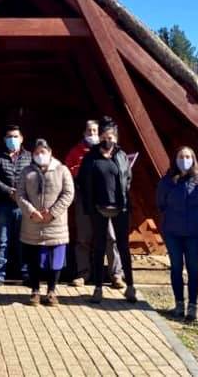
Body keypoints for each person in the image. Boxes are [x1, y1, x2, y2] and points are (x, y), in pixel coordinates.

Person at [77, 116, 137, 303]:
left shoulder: (121, 155)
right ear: (100, 136)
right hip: (99, 208)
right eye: (105, 136)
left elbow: (127, 178)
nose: (108, 140)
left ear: (116, 138)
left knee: (122, 247)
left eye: (112, 137)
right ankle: (97, 288)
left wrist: (124, 200)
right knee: (99, 246)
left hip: (120, 208)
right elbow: (83, 182)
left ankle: (131, 286)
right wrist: (90, 206)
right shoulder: (90, 157)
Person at [64, 119, 124, 288]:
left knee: (110, 238)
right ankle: (83, 274)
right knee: (83, 238)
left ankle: (116, 275)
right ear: (84, 133)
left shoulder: (109, 151)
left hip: (106, 201)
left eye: (95, 131)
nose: (92, 134)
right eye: (89, 131)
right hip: (84, 199)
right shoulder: (76, 151)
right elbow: (68, 171)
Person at [156, 146, 198, 321]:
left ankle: (193, 305)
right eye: (181, 156)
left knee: (193, 268)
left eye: (188, 156)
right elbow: (161, 203)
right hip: (172, 231)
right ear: (175, 159)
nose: (184, 159)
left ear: (193, 159)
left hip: (194, 232)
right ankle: (179, 303)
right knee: (176, 267)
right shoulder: (166, 181)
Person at [17, 139, 74, 306]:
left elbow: (68, 194)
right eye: (36, 152)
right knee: (33, 259)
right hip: (32, 223)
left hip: (55, 224)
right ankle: (35, 290)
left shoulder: (62, 170)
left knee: (55, 260)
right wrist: (31, 211)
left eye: (43, 152)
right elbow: (20, 194)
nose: (40, 155)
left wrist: (52, 213)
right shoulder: (26, 172)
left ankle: (51, 291)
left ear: (50, 152)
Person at [0, 125, 32, 290]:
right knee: (2, 241)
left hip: (23, 205)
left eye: (15, 136)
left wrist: (20, 192)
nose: (12, 139)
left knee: (25, 240)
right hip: (3, 204)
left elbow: (33, 177)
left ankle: (26, 274)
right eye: (8, 137)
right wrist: (9, 191)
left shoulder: (29, 157)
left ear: (21, 138)